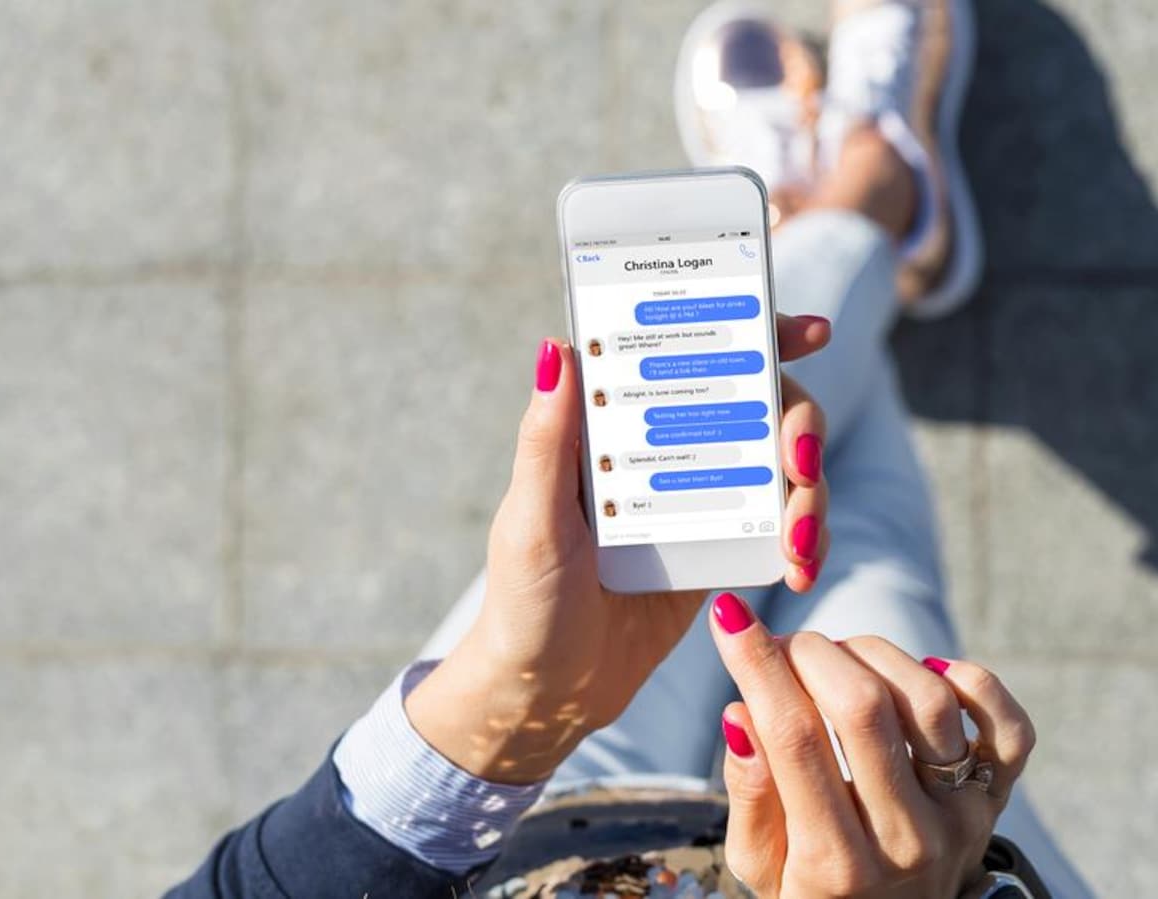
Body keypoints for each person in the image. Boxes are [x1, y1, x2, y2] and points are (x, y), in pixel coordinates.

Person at [170, 1, 1092, 896]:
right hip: (863, 860)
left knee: (825, 493)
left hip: (537, 827)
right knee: (884, 621)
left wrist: (513, 704)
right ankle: (865, 198)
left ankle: (849, 211)